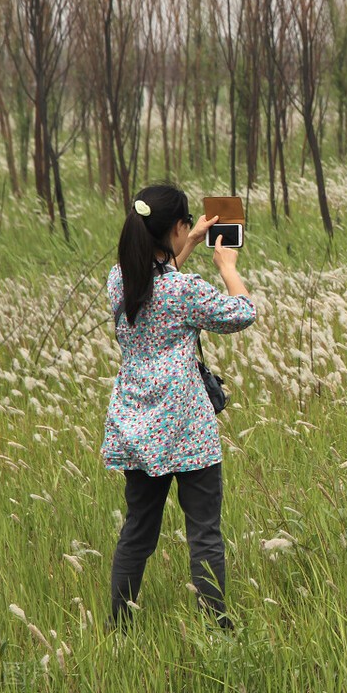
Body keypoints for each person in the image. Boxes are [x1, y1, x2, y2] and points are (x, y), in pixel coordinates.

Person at [102, 184, 256, 632]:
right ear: (174, 226)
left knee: (138, 532)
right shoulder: (185, 291)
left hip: (138, 431)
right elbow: (242, 312)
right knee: (204, 534)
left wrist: (184, 243)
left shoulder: (120, 280)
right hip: (188, 431)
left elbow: (153, 289)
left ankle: (118, 628)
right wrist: (228, 267)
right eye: (185, 226)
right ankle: (217, 630)